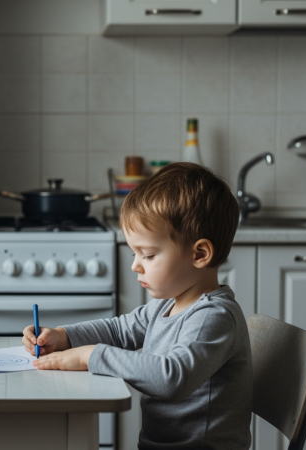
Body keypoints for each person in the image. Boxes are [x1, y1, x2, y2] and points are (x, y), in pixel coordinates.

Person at [23, 162, 252, 449]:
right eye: (135, 254)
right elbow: (118, 331)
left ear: (200, 254)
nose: (135, 266)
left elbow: (173, 377)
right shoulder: (166, 305)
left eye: (148, 255)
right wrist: (63, 336)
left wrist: (91, 356)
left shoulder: (213, 316)